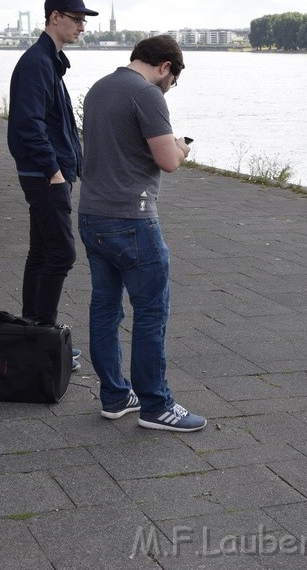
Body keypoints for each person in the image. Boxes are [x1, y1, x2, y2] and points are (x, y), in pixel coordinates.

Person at [77, 34, 205, 432]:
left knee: (105, 309)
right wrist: (182, 147)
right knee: (150, 312)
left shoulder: (98, 89)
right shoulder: (147, 94)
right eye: (173, 80)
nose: (170, 88)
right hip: (132, 219)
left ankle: (115, 395)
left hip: (92, 214)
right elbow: (166, 160)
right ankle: (156, 405)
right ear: (165, 66)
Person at [7, 0, 97, 371]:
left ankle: (33, 332)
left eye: (83, 21)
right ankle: (43, 336)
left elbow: (53, 123)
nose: (81, 27)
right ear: (55, 17)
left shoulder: (49, 61)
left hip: (48, 173)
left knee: (42, 251)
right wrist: (55, 171)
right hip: (45, 176)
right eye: (76, 19)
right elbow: (28, 124)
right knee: (62, 253)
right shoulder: (37, 63)